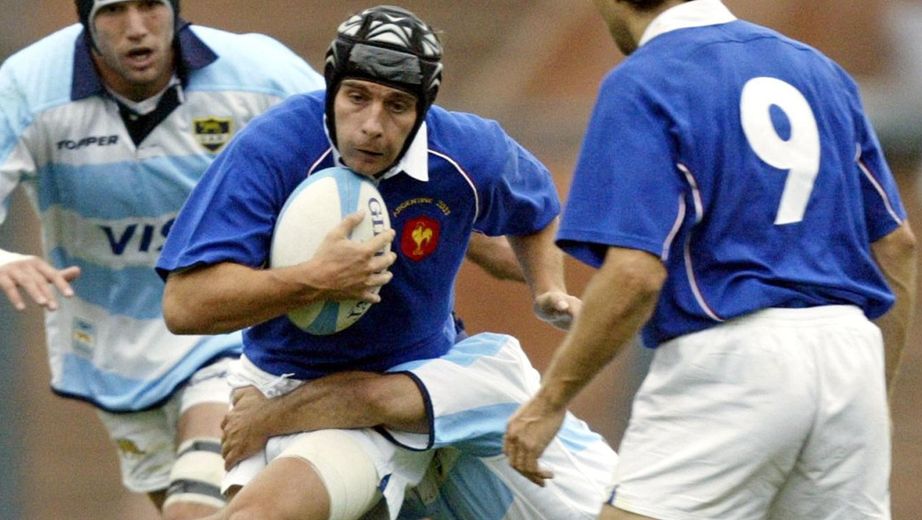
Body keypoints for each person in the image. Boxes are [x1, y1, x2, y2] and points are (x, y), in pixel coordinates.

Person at [156, 5, 618, 519]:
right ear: (331, 87)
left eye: (398, 106)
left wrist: (546, 287)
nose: (373, 126)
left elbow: (535, 207)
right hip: (280, 381)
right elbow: (185, 305)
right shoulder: (273, 149)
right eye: (357, 97)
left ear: (424, 109)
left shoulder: (466, 151)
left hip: (401, 384)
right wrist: (315, 279)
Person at [504, 0, 918, 519]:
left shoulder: (645, 78)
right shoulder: (820, 70)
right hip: (851, 353)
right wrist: (870, 393)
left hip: (733, 359)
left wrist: (549, 402)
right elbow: (897, 244)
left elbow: (635, 274)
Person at [0, 0, 326, 517]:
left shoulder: (258, 72)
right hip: (113, 347)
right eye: (114, 10)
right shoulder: (27, 87)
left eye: (151, 5)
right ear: (85, 19)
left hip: (227, 329)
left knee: (193, 509)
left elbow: (358, 147)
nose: (136, 28)